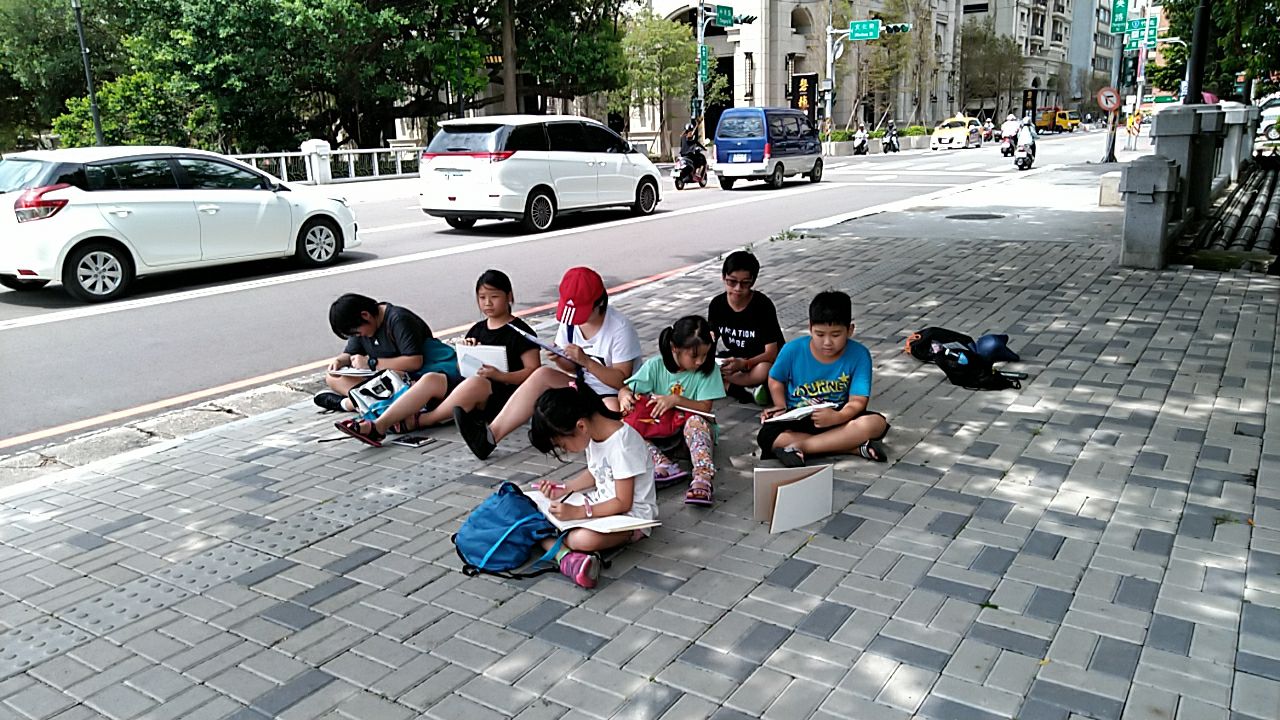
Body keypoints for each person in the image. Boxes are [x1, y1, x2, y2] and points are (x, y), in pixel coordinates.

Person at [332, 270, 541, 446]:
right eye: (482, 297)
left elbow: (533, 372)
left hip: (502, 395)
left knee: (477, 383)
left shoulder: (521, 333)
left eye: (494, 297)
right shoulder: (477, 330)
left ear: (509, 296)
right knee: (432, 378)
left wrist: (500, 375)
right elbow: (461, 367)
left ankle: (420, 420)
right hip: (467, 386)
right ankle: (379, 426)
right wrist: (467, 353)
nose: (487, 303)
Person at [455, 266, 642, 460]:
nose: (576, 319)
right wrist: (560, 359)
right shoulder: (570, 321)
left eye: (581, 312)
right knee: (542, 374)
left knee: (610, 412)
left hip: (613, 393)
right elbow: (571, 368)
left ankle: (609, 460)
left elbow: (621, 380)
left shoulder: (619, 328)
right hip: (584, 388)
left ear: (599, 303)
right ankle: (489, 437)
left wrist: (586, 361)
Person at [529, 385, 657, 589]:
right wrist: (565, 488)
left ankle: (563, 553)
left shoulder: (623, 445)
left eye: (562, 446)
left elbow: (623, 502)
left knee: (581, 540)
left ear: (580, 426)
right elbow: (597, 472)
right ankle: (567, 556)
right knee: (534, 511)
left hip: (630, 519)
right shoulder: (594, 435)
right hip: (601, 507)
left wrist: (578, 512)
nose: (566, 450)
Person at [757, 290, 889, 466]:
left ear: (850, 330)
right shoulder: (792, 350)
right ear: (810, 328)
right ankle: (851, 447)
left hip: (838, 414)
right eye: (820, 334)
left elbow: (858, 401)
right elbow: (775, 379)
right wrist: (780, 405)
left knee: (876, 423)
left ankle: (800, 447)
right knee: (766, 437)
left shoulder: (859, 354)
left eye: (836, 335)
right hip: (798, 415)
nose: (827, 342)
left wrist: (838, 417)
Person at [618, 316, 725, 505]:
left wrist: (676, 400)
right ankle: (662, 464)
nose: (700, 361)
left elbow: (705, 407)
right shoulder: (655, 366)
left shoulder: (708, 370)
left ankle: (703, 478)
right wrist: (624, 396)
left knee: (696, 422)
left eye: (705, 354)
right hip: (659, 433)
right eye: (694, 356)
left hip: (690, 435)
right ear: (675, 348)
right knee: (625, 426)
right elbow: (627, 389)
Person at [315, 294, 459, 413]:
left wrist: (371, 363)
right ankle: (370, 402)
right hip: (386, 379)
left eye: (357, 332)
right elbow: (350, 352)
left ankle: (349, 404)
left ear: (365, 315)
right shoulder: (363, 327)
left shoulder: (398, 320)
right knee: (333, 378)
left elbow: (414, 361)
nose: (358, 336)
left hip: (415, 375)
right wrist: (339, 361)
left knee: (395, 387)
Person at [707, 250, 784, 405]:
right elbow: (710, 341)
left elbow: (771, 353)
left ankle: (731, 386)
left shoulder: (762, 305)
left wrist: (745, 363)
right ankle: (745, 388)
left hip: (760, 360)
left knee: (765, 370)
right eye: (732, 281)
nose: (737, 288)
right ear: (723, 277)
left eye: (745, 283)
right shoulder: (717, 305)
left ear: (752, 282)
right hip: (735, 359)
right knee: (705, 365)